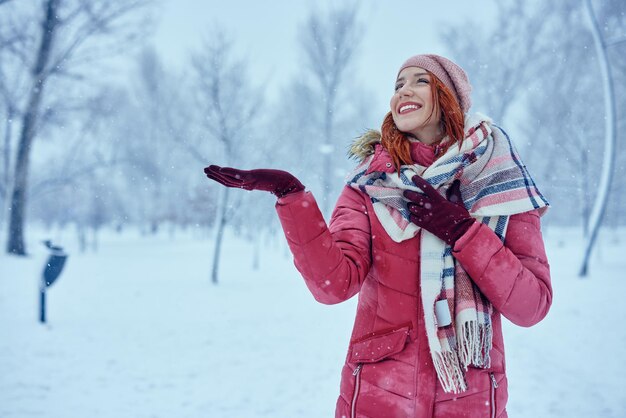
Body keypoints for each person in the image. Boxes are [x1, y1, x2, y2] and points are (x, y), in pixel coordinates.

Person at [204, 54, 552, 418]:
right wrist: (290, 194)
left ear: (448, 95)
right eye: (398, 84)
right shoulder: (369, 185)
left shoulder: (502, 183)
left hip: (469, 399)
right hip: (378, 395)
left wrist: (462, 232)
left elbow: (531, 305)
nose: (403, 90)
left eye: (420, 80)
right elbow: (333, 285)